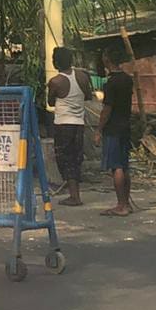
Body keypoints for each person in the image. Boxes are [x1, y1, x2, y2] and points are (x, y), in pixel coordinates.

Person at [46, 46, 93, 207]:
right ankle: (75, 192)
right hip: (79, 123)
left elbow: (50, 102)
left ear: (55, 62)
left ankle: (74, 196)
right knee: (76, 158)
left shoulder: (55, 81)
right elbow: (88, 95)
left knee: (65, 159)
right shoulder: (83, 76)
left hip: (63, 123)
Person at [96, 45, 135, 217]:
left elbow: (107, 109)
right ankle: (126, 202)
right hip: (125, 125)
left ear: (107, 59)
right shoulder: (127, 79)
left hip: (113, 128)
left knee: (116, 167)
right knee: (124, 165)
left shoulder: (111, 83)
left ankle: (121, 205)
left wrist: (99, 129)